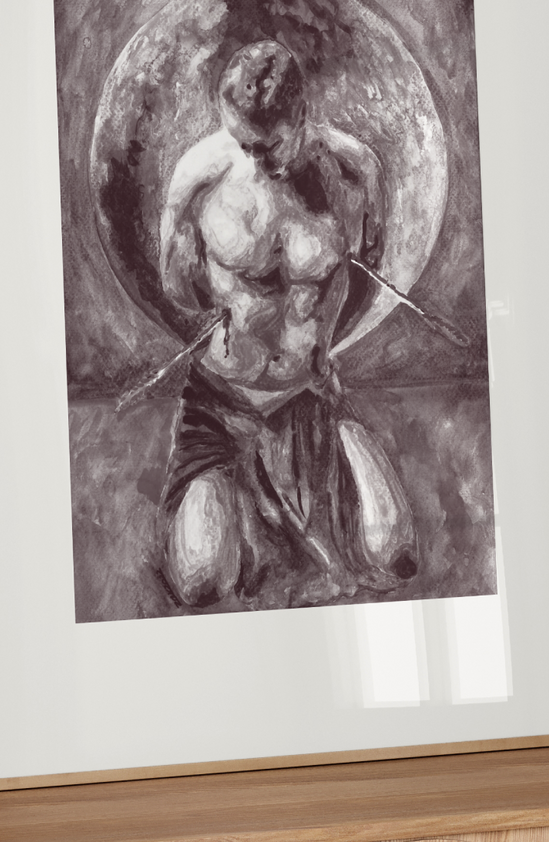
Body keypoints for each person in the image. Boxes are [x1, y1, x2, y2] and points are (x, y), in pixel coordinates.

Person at [157, 39, 418, 607]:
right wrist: (238, 308)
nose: (252, 158)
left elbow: (365, 275)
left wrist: (313, 343)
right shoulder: (197, 179)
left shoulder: (354, 173)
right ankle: (232, 486)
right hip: (222, 399)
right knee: (199, 581)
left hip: (311, 394)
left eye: (267, 145)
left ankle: (323, 450)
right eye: (241, 141)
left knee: (394, 552)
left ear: (301, 115)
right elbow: (177, 287)